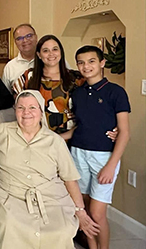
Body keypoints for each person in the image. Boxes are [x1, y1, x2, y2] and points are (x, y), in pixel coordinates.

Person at [0, 90, 100, 249]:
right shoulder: (0, 131)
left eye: (32, 108)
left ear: (41, 111)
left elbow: (69, 179)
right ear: (15, 110)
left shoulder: (55, 141)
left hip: (49, 197)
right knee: (9, 226)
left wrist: (80, 211)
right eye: (21, 108)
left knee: (61, 230)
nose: (26, 113)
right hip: (7, 194)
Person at [69, 46, 130, 249]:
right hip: (78, 153)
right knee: (84, 208)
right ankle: (92, 247)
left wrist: (111, 166)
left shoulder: (116, 92)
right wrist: (53, 138)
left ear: (102, 63)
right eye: (81, 62)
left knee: (97, 212)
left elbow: (124, 132)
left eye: (91, 61)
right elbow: (80, 127)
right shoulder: (77, 93)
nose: (86, 66)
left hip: (104, 157)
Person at [12, 35, 84, 138]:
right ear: (39, 55)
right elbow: (18, 108)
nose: (51, 54)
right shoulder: (28, 78)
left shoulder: (77, 79)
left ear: (61, 52)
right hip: (37, 139)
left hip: (71, 139)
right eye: (45, 51)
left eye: (55, 49)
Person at [2, 23, 38, 93]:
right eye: (19, 38)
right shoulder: (10, 67)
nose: (25, 40)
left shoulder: (50, 61)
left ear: (36, 37)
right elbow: (5, 97)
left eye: (29, 36)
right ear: (15, 42)